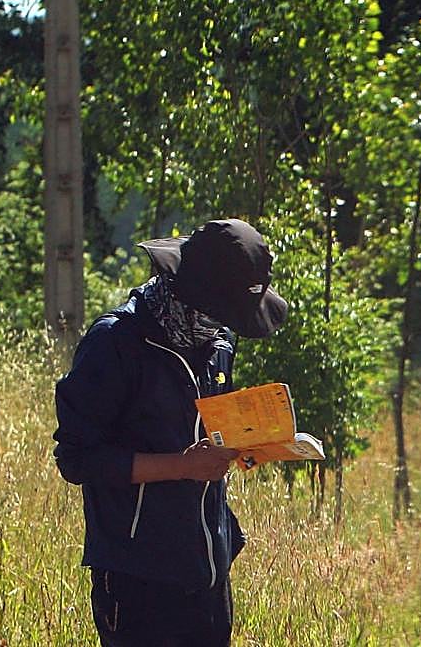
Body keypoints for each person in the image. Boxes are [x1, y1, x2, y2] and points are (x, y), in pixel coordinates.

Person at [54, 218, 288, 646]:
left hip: (209, 570)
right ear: (191, 293)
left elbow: (207, 428)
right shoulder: (115, 344)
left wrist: (247, 446)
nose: (227, 328)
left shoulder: (217, 341)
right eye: (224, 314)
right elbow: (78, 459)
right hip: (137, 578)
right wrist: (183, 466)